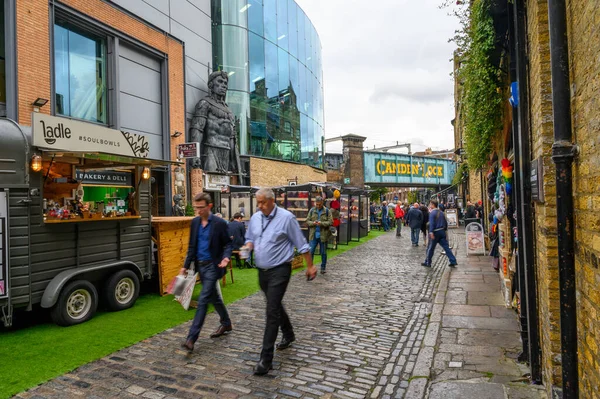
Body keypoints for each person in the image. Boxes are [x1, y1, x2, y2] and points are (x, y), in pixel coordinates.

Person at [244, 188, 317, 375]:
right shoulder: (255, 218)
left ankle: (265, 360)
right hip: (263, 272)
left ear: (272, 200)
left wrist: (310, 266)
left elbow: (301, 244)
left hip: (280, 269)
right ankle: (289, 333)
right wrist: (248, 246)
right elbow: (250, 238)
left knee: (271, 312)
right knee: (274, 305)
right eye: (257, 202)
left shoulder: (286, 218)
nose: (259, 206)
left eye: (262, 202)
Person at [180, 193, 234, 354]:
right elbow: (192, 247)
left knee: (203, 299)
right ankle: (226, 323)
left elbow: (228, 244)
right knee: (214, 297)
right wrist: (185, 266)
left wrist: (225, 258)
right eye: (196, 207)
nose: (198, 211)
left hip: (213, 266)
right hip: (200, 266)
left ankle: (191, 338)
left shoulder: (219, 223)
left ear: (209, 206)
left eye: (201, 207)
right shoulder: (195, 222)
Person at [421, 200, 458, 268]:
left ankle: (428, 262)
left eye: (430, 204)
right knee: (446, 248)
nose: (429, 205)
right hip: (442, 231)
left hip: (435, 232)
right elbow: (445, 223)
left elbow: (432, 223)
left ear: (432, 205)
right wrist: (445, 231)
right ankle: (453, 261)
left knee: (431, 248)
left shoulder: (432, 213)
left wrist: (431, 232)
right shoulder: (441, 212)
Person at [306, 196, 333, 274]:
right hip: (313, 235)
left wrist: (322, 223)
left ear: (322, 203)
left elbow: (331, 222)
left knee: (323, 252)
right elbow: (307, 221)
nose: (318, 206)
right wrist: (313, 223)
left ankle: (323, 267)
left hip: (323, 235)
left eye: (319, 204)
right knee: (311, 251)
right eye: (317, 204)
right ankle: (310, 267)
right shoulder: (312, 210)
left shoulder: (327, 211)